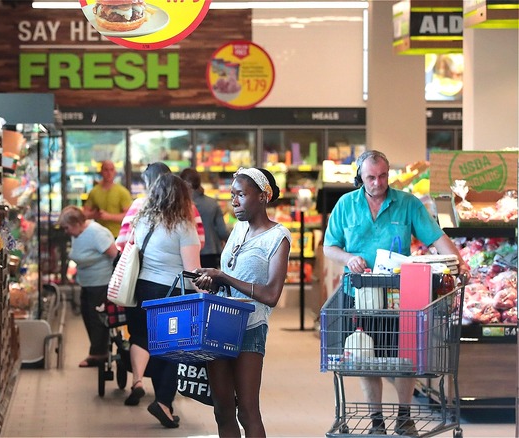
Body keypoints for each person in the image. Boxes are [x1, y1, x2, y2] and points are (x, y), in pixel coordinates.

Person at [322, 150, 469, 435]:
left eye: (382, 176)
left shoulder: (408, 204)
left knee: (406, 359)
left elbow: (436, 237)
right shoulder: (345, 205)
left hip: (401, 296)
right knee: (366, 358)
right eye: (370, 178)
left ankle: (404, 416)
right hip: (360, 293)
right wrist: (348, 257)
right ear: (360, 178)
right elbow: (330, 247)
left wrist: (458, 264)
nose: (378, 183)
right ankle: (377, 420)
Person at [192, 167, 291, 438]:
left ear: (263, 196)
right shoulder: (238, 229)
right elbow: (232, 275)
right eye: (232, 194)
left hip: (250, 329)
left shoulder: (278, 237)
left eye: (241, 194)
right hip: (220, 326)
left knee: (247, 411)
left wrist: (224, 276)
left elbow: (271, 295)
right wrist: (212, 281)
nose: (233, 201)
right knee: (222, 410)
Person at [123, 173, 201, 428]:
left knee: (151, 344)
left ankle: (159, 398)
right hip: (172, 292)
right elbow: (191, 271)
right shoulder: (183, 226)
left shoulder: (143, 220)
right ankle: (164, 403)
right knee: (172, 349)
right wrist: (206, 293)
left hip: (144, 289)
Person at [58, 206, 119, 368]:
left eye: (66, 227)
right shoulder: (78, 233)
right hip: (87, 282)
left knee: (97, 319)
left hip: (101, 282)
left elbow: (115, 255)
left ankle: (98, 354)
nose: (66, 232)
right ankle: (98, 351)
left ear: (77, 223)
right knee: (88, 316)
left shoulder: (96, 233)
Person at [116, 162, 205, 250]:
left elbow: (122, 241)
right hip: (181, 262)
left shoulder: (139, 205)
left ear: (149, 183)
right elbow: (200, 241)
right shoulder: (189, 206)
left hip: (145, 262)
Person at [180, 167, 229, 268]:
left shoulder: (180, 205)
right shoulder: (212, 204)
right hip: (210, 252)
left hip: (187, 253)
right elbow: (223, 231)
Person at [83, 160, 133, 238]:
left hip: (118, 235)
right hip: (99, 235)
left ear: (115, 172)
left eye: (111, 170)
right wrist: (94, 215)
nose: (109, 173)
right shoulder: (94, 191)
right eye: (106, 170)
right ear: (101, 172)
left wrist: (109, 216)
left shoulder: (122, 192)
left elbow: (129, 216)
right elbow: (84, 213)